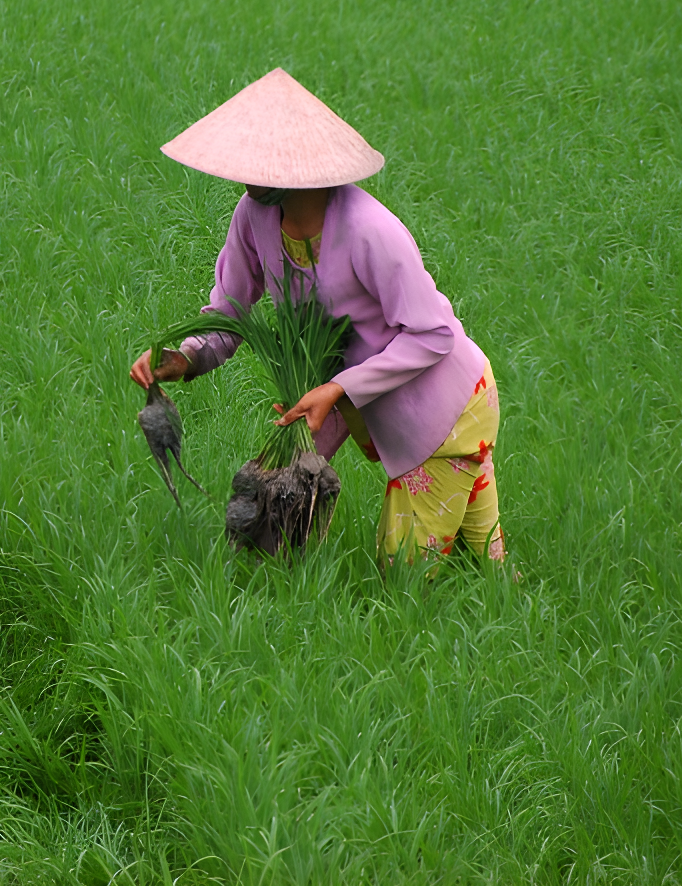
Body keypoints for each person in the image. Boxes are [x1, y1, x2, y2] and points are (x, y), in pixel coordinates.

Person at [129, 68, 505, 565]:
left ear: (297, 167)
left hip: (445, 413)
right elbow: (229, 311)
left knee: (407, 575)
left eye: (259, 164)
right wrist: (185, 358)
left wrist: (338, 389)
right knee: (486, 572)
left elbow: (432, 334)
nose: (245, 176)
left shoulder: (372, 232)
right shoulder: (254, 216)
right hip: (377, 407)